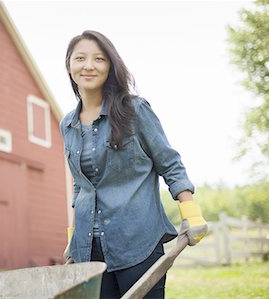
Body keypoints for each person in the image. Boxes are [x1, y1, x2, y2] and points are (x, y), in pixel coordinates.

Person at [59, 30, 208, 299]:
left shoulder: (134, 110)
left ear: (110, 66)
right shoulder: (67, 124)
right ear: (69, 66)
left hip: (137, 241)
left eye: (99, 59)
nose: (89, 65)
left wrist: (190, 210)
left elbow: (169, 163)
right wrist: (73, 236)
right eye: (80, 58)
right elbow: (80, 186)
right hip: (89, 252)